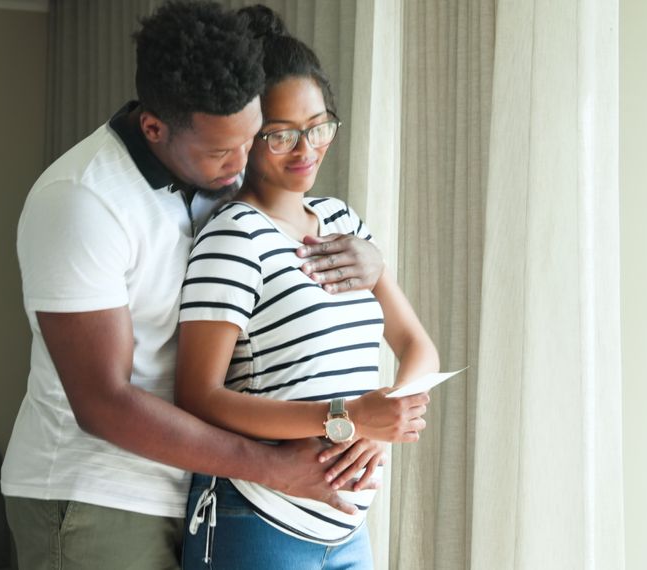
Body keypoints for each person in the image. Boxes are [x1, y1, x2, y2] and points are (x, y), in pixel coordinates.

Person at [0, 2, 432, 569]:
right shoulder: (82, 202)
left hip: (208, 487)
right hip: (97, 493)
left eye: (253, 137)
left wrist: (373, 264)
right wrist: (275, 463)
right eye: (222, 151)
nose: (241, 163)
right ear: (154, 127)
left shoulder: (217, 173)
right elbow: (104, 403)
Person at [175, 5, 441, 569]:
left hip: (348, 529)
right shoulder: (233, 237)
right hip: (257, 520)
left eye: (319, 126)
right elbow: (197, 397)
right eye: (282, 136)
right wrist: (346, 415)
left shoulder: (344, 224)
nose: (307, 150)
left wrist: (379, 425)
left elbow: (418, 347)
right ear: (249, 135)